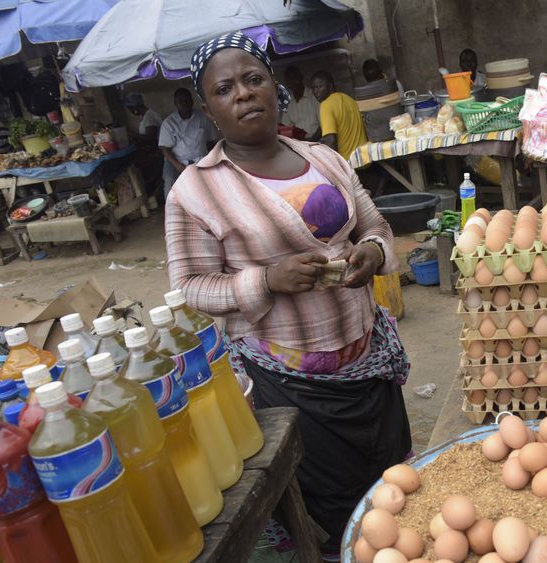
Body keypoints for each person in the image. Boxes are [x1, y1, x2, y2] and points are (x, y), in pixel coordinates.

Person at [166, 31, 411, 561]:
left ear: (275, 87)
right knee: (340, 505)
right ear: (209, 109)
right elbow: (190, 289)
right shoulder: (196, 190)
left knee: (397, 484)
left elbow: (375, 227)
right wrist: (266, 280)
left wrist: (369, 252)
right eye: (224, 88)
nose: (243, 94)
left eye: (254, 80)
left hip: (367, 360)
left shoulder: (324, 158)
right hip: (290, 379)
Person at [158, 88, 218, 199]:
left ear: (192, 101)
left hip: (200, 159)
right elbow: (164, 149)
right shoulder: (169, 123)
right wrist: (178, 165)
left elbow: (212, 141)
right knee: (170, 180)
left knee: (216, 178)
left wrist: (210, 159)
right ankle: (173, 212)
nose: (184, 103)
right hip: (176, 161)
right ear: (176, 104)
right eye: (180, 101)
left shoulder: (203, 118)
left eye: (187, 100)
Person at [311, 71, 368, 160]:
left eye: (319, 87)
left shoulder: (326, 105)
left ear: (330, 86)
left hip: (348, 163)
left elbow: (331, 141)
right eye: (314, 88)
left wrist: (336, 169)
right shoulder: (349, 99)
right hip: (364, 158)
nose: (315, 92)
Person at [280, 66, 321, 141]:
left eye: (295, 77)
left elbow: (323, 124)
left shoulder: (314, 96)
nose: (293, 82)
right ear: (286, 82)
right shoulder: (288, 103)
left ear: (301, 77)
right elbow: (285, 129)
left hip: (318, 141)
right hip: (299, 145)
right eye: (290, 79)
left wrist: (313, 139)